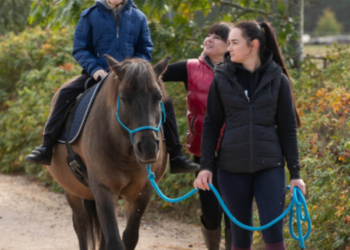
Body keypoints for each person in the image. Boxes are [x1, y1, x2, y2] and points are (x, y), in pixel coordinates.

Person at [24, 0, 200, 174]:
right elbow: (80, 49)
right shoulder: (89, 15)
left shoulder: (139, 17)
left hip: (131, 78)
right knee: (64, 94)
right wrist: (95, 69)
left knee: (164, 102)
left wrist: (133, 70)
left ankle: (176, 156)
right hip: (97, 74)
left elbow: (145, 48)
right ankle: (46, 147)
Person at [194, 20, 306, 250]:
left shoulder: (279, 80)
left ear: (253, 45)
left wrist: (295, 173)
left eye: (234, 42)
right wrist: (205, 166)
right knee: (240, 237)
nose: (229, 48)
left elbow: (287, 130)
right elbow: (212, 124)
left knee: (274, 235)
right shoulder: (221, 77)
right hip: (230, 169)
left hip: (270, 167)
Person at [162, 22, 233, 250]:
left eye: (217, 37)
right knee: (211, 212)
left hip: (237, 150)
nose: (209, 39)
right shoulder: (190, 67)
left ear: (229, 45)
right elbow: (151, 75)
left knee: (234, 211)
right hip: (204, 151)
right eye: (208, 34)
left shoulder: (242, 68)